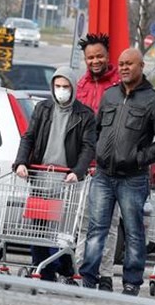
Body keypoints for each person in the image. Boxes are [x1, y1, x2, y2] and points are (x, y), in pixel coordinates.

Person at [80, 48, 155, 296]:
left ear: (141, 66)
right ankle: (88, 278)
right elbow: (97, 130)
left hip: (133, 178)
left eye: (129, 64)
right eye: (120, 64)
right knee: (96, 229)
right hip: (103, 175)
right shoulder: (110, 95)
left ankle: (132, 282)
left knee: (134, 232)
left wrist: (138, 158)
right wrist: (97, 152)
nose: (123, 68)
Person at [13, 66, 97, 281]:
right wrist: (21, 162)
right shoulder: (43, 109)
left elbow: (88, 147)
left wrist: (78, 171)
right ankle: (43, 270)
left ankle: (65, 268)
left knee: (61, 231)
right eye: (57, 86)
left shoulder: (84, 115)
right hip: (41, 176)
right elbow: (29, 137)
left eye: (65, 87)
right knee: (39, 228)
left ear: (73, 88)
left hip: (66, 181)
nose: (61, 90)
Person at [75, 32, 121, 291]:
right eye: (90, 57)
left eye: (99, 56)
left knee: (109, 223)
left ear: (107, 57)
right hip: (85, 164)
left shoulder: (118, 85)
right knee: (83, 222)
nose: (95, 61)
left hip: (110, 166)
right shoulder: (81, 85)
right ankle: (83, 270)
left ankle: (105, 274)